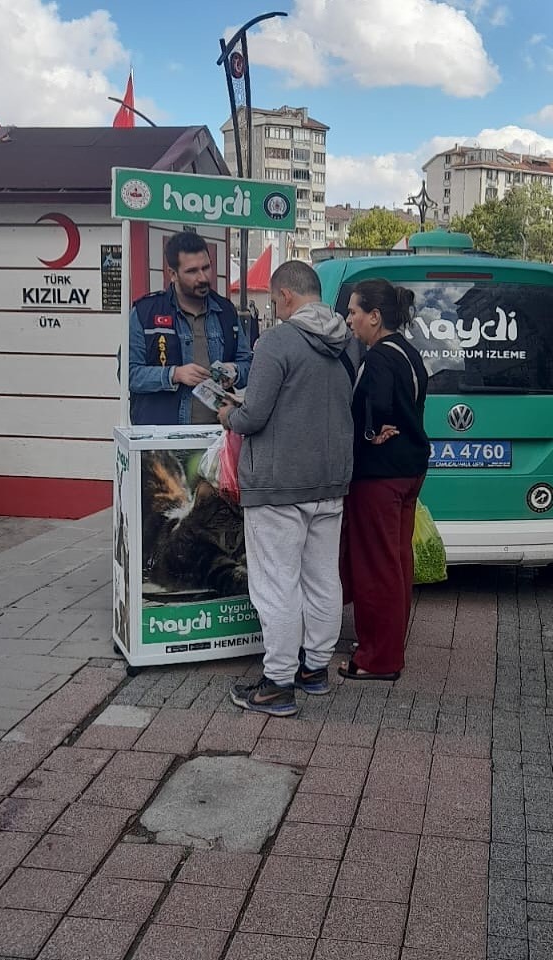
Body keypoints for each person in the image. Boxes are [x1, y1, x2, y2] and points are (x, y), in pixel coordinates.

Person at [219, 260, 355, 716]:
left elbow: (254, 415)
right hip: (330, 480)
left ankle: (277, 683)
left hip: (278, 484)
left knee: (277, 584)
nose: (275, 307)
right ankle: (314, 670)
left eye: (275, 299)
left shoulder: (277, 340)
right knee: (322, 579)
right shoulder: (346, 342)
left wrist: (229, 415)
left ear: (287, 296)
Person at [338, 278, 429, 682]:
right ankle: (387, 645)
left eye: (355, 312)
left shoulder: (377, 359)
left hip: (379, 475)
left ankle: (378, 658)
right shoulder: (408, 352)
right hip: (410, 470)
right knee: (396, 562)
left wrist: (371, 433)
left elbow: (371, 408)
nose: (349, 319)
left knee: (375, 567)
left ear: (375, 317)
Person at [128, 231, 253, 425]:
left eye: (206, 267)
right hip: (163, 441)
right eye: (192, 271)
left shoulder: (226, 311)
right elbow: (130, 375)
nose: (203, 277)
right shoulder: (145, 312)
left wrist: (234, 371)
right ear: (172, 274)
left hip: (216, 436)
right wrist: (175, 374)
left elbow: (249, 364)